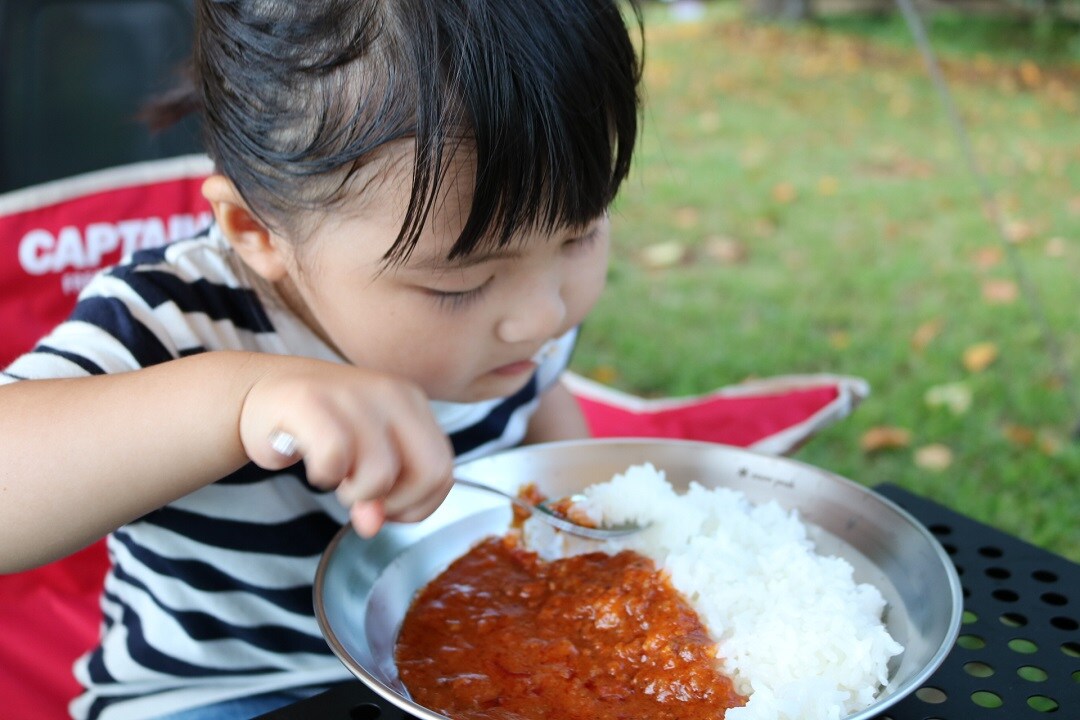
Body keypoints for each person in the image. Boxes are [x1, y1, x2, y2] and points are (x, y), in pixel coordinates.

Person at [0, 0, 643, 718]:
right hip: (224, 697)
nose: (543, 317)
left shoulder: (521, 316)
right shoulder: (170, 322)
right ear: (257, 232)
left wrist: (583, 522)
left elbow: (539, 410)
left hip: (447, 676)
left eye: (580, 235)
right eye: (459, 283)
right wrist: (242, 402)